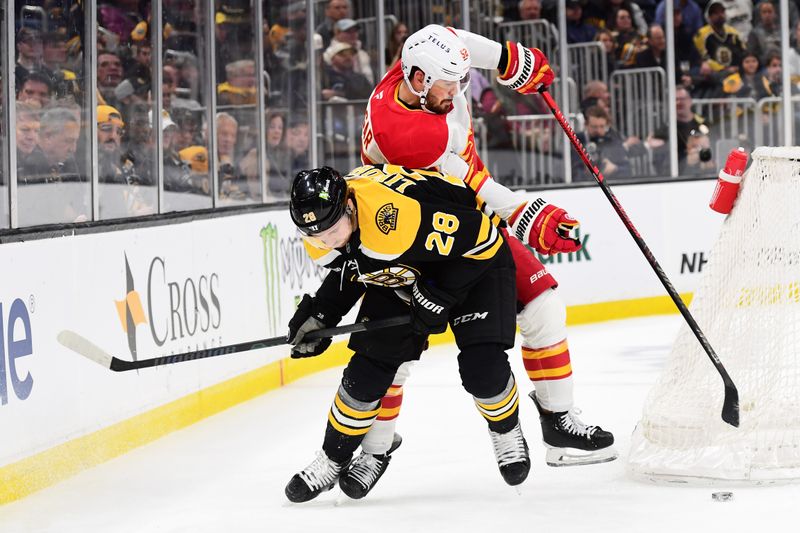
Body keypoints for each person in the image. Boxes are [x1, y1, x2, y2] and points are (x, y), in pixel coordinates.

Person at [350, 24, 616, 498]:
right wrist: (522, 213)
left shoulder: (420, 63)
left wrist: (510, 60)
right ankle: (376, 448)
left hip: (462, 218)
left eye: (461, 82)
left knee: (543, 306)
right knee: (390, 351)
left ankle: (558, 421)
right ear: (417, 80)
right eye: (448, 87)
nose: (458, 94)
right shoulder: (404, 132)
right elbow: (468, 178)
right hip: (409, 232)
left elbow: (453, 38)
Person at [284, 164, 529, 502]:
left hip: (474, 261)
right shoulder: (325, 227)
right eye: (317, 234)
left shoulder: (392, 217)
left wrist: (438, 295)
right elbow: (355, 264)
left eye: (331, 229)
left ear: (350, 206)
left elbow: (482, 237)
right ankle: (333, 459)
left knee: (482, 369)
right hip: (409, 268)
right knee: (367, 372)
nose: (326, 240)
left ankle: (506, 430)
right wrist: (321, 313)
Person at [573, 105, 632, 180]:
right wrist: (585, 172)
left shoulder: (612, 141)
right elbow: (569, 171)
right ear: (586, 125)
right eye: (594, 127)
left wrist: (615, 168)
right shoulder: (575, 141)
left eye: (602, 126)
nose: (598, 130)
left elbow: (628, 170)